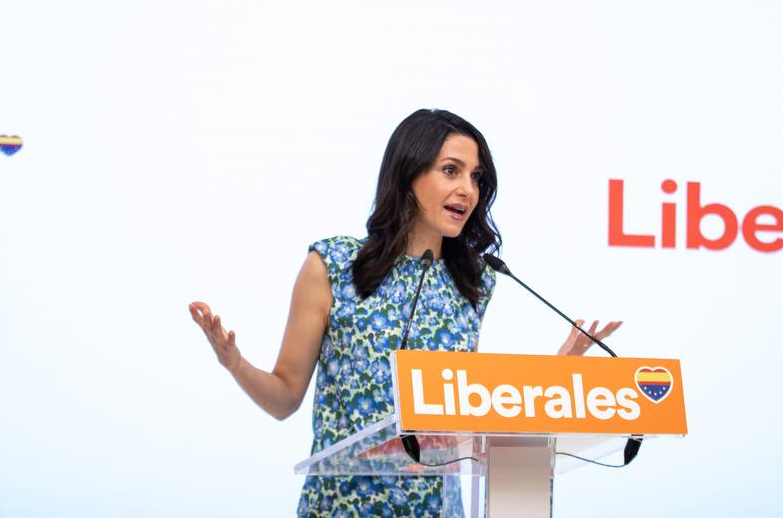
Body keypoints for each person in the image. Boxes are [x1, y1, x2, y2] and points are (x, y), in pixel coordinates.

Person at [190, 109, 620, 516]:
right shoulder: (335, 266)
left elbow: (464, 413)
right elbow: (284, 398)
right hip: (341, 508)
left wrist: (554, 379)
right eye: (451, 170)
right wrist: (235, 363)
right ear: (408, 173)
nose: (468, 190)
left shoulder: (474, 282)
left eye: (476, 177)